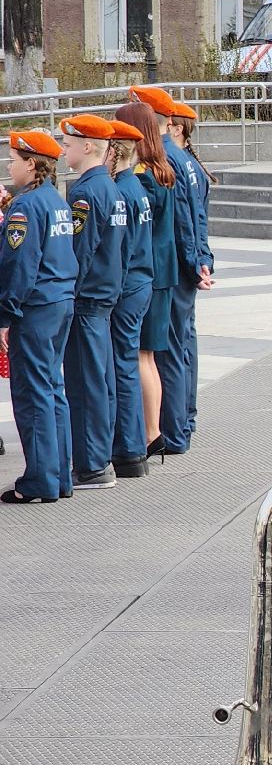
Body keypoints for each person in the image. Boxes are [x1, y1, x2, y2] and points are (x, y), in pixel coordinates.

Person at [132, 86, 213, 457]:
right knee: (182, 347)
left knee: (170, 352)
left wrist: (195, 263)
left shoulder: (167, 158)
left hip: (175, 269)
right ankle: (184, 422)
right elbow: (198, 218)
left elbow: (183, 220)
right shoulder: (183, 158)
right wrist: (202, 259)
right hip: (186, 265)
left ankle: (175, 431)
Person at [0, 129, 77, 503]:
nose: (8, 166)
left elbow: (19, 266)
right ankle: (59, 476)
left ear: (31, 164)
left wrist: (5, 314)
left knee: (32, 394)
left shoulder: (25, 207)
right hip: (59, 301)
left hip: (35, 308)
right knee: (52, 389)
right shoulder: (54, 200)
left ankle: (40, 480)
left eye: (13, 160)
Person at [56, 115, 128, 491]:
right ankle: (99, 459)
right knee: (100, 382)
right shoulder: (109, 188)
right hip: (103, 298)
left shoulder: (86, 193)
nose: (62, 150)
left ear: (87, 147)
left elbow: (79, 253)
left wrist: (68, 294)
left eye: (68, 144)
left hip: (87, 301)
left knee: (85, 386)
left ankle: (91, 465)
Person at [119, 100, 177, 456]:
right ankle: (153, 431)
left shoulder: (143, 176)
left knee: (142, 356)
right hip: (162, 273)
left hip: (149, 275)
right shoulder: (161, 170)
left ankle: (151, 432)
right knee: (149, 357)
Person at [107, 119, 155, 480]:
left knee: (123, 366)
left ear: (114, 152)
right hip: (140, 283)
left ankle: (129, 448)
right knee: (128, 362)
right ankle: (133, 446)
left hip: (127, 288)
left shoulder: (122, 191)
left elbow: (118, 251)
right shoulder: (134, 186)